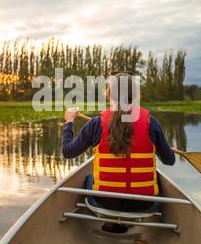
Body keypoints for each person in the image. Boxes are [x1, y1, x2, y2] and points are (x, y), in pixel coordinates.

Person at [62, 73, 175, 222]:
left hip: (103, 203)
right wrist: (161, 146)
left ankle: (111, 222)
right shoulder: (151, 122)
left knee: (89, 177)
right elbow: (169, 160)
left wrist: (69, 122)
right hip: (144, 205)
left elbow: (67, 152)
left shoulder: (95, 124)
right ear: (135, 96)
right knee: (157, 180)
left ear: (108, 95)